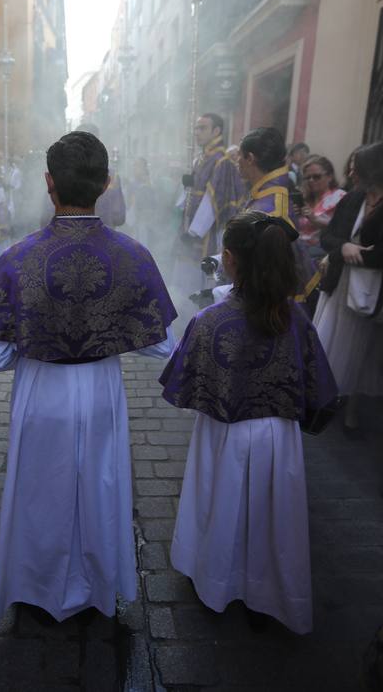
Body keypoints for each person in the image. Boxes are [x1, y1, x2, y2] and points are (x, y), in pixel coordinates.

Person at [0, 131, 177, 628]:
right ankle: (99, 587)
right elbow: (159, 344)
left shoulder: (18, 257)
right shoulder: (133, 255)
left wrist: (37, 346)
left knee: (40, 490)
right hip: (102, 389)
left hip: (40, 391)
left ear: (48, 182)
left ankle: (38, 588)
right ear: (106, 183)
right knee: (100, 488)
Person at [160, 211, 337, 634]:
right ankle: (271, 589)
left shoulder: (210, 321)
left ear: (228, 258)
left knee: (220, 503)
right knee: (274, 516)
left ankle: (217, 581)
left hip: (224, 434)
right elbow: (322, 391)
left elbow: (179, 383)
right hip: (280, 437)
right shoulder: (298, 321)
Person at [313, 141, 383, 437]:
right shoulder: (352, 199)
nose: (351, 173)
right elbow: (328, 236)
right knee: (328, 340)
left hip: (373, 292)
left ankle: (352, 409)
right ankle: (321, 400)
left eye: (358, 168)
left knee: (362, 351)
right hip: (339, 285)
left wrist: (362, 255)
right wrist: (343, 247)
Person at [238, 127, 319, 303]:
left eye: (240, 155)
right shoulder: (267, 195)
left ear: (250, 158)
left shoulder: (271, 209)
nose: (237, 161)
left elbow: (265, 273)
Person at [178, 113, 246, 264]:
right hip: (191, 224)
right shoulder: (199, 159)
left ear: (216, 131)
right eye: (196, 128)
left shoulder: (222, 161)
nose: (197, 132)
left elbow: (212, 200)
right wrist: (187, 186)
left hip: (207, 230)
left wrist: (194, 232)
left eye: (202, 128)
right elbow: (188, 198)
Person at [298, 155, 345, 259]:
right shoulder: (304, 198)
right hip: (300, 250)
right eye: (307, 177)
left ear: (330, 176)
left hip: (322, 254)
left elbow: (342, 229)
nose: (311, 180)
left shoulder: (340, 197)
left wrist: (315, 219)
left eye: (316, 176)